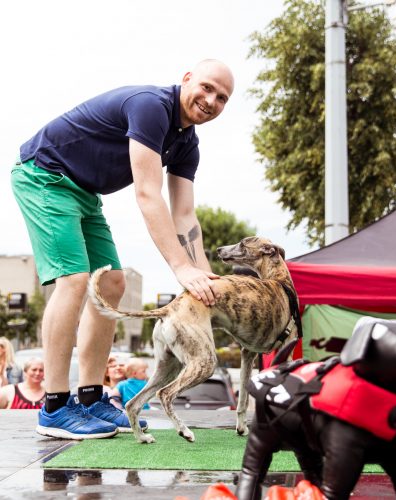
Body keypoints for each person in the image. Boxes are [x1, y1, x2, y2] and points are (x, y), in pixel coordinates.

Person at [11, 59, 234, 440]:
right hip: (45, 175)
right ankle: (54, 407)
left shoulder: (187, 145)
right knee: (75, 278)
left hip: (83, 192)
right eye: (207, 87)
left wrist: (204, 277)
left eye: (223, 98)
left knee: (111, 284)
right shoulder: (151, 107)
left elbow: (184, 215)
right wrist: (181, 269)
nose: (211, 100)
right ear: (186, 80)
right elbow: (148, 195)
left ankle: (91, 397)